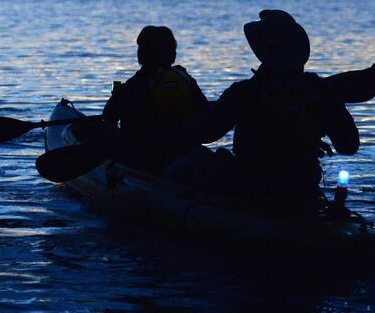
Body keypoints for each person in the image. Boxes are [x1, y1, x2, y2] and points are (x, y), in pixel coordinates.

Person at [156, 10, 359, 202]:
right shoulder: (319, 91)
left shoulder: (245, 92)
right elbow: (349, 145)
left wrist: (189, 120)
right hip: (303, 187)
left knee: (195, 158)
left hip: (250, 187)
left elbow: (203, 133)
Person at [84, 25, 209, 172]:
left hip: (145, 158)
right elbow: (205, 113)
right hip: (183, 149)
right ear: (172, 55)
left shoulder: (134, 85)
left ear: (141, 55)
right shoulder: (186, 80)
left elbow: (109, 117)